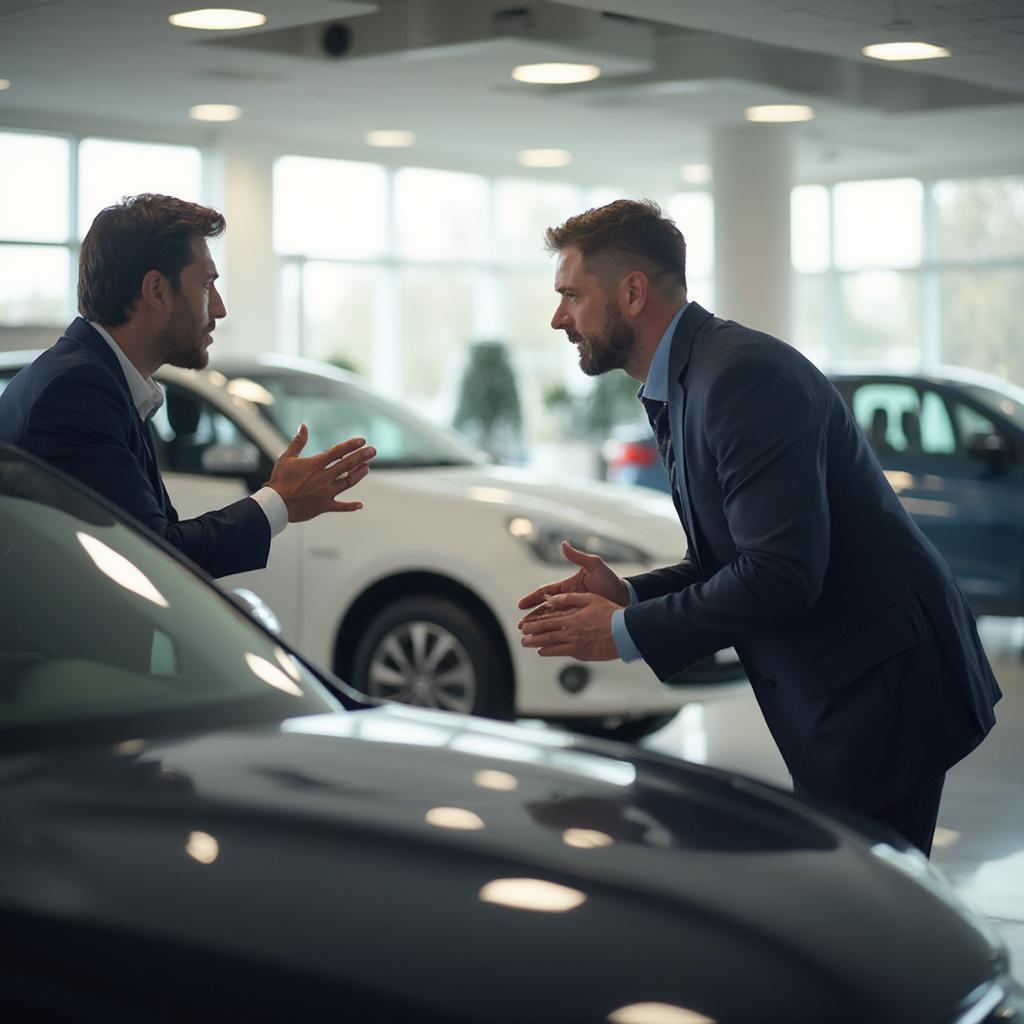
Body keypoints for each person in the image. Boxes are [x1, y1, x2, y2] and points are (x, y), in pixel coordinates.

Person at [517, 198, 1000, 857]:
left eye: (571, 294)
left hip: (882, 685)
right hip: (852, 678)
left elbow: (780, 574)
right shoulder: (692, 378)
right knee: (859, 910)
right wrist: (627, 597)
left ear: (631, 292)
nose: (558, 318)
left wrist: (625, 633)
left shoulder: (738, 377)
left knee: (871, 917)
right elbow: (734, 559)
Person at [0, 194, 375, 579]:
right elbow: (154, 559)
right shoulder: (77, 392)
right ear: (157, 291)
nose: (219, 308)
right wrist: (278, 501)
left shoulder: (99, 378)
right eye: (207, 284)